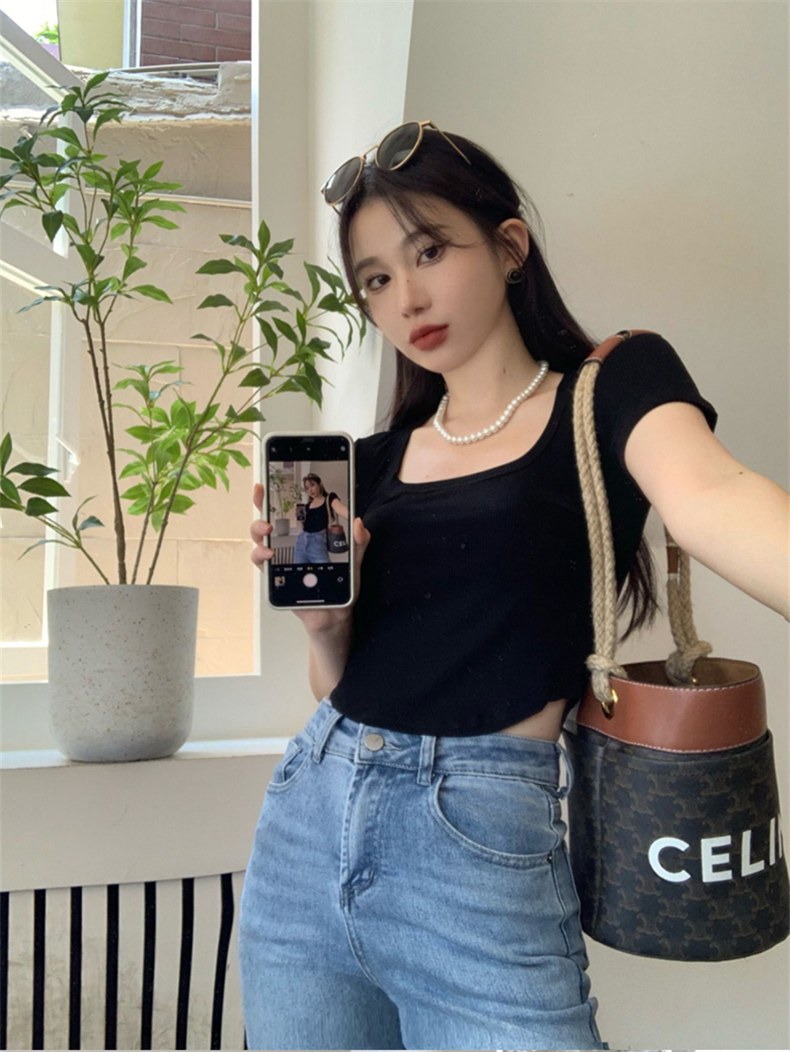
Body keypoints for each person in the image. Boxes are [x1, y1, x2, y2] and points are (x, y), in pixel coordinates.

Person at [239, 122, 723, 1050]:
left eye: (430, 251)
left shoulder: (607, 390)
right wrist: (326, 627)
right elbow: (341, 689)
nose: (408, 298)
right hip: (308, 825)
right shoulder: (370, 463)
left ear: (508, 246)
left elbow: (714, 499)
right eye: (377, 279)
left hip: (479, 840)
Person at [292, 474, 346, 565]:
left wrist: (355, 519)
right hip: (302, 540)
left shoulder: (329, 498)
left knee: (324, 571)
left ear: (319, 484)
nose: (310, 490)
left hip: (318, 540)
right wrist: (301, 520)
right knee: (300, 572)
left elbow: (340, 508)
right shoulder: (307, 506)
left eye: (312, 485)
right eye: (307, 488)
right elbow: (305, 526)